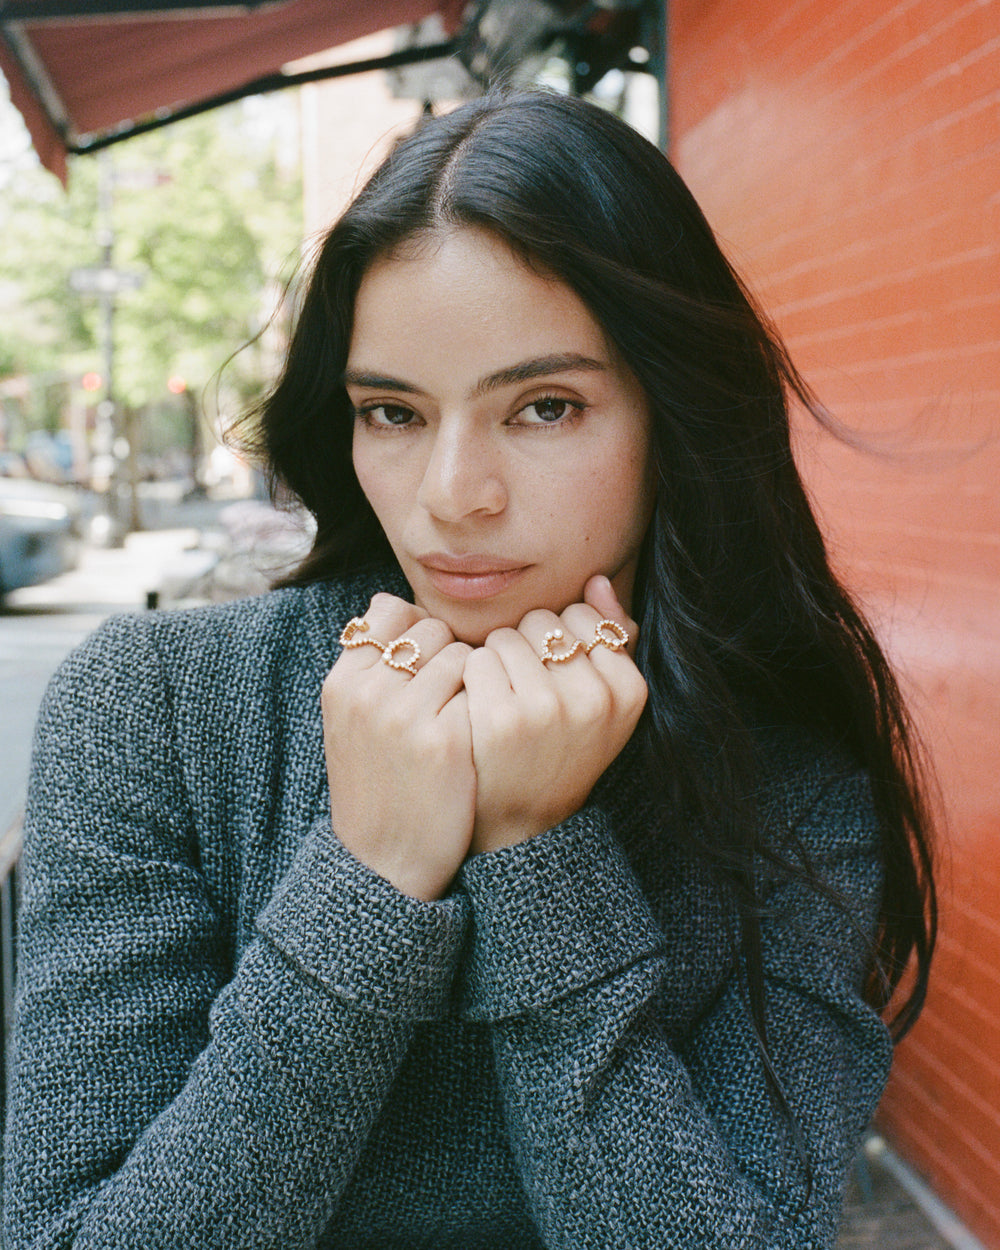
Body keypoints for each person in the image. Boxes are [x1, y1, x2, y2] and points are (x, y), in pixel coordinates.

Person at [4, 89, 936, 1248]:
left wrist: (538, 857)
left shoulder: (789, 784)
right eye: (392, 411)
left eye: (544, 406)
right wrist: (368, 878)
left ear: (675, 415)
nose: (453, 495)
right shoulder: (155, 709)